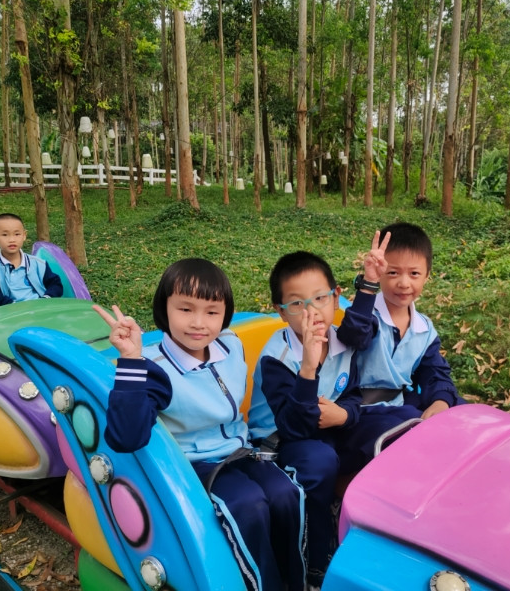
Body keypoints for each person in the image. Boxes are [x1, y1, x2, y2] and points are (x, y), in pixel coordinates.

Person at [93, 258, 306, 591]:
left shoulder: (229, 345)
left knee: (286, 493)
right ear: (164, 308)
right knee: (247, 505)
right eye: (185, 309)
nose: (198, 323)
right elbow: (126, 437)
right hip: (197, 465)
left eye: (212, 312)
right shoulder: (154, 368)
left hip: (243, 452)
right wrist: (131, 360)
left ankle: (298, 581)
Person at [248, 251, 419, 589]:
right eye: (297, 304)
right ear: (281, 312)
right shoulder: (278, 359)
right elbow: (293, 427)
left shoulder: (340, 340)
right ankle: (317, 556)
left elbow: (352, 394)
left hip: (329, 425)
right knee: (320, 460)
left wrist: (346, 414)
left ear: (336, 297)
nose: (311, 311)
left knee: (405, 420)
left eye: (320, 298)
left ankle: (380, 517)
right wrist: (308, 368)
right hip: (284, 441)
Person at [337, 223, 465, 418]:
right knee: (410, 422)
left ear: (426, 276)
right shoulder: (366, 315)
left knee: (462, 411)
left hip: (400, 402)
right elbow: (353, 337)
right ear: (380, 274)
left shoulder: (424, 330)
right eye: (393, 273)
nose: (404, 283)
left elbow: (433, 372)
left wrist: (441, 401)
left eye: (414, 274)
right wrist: (368, 285)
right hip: (359, 410)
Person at [0, 213, 63, 306]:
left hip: (38, 308)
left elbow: (55, 284)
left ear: (24, 235)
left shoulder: (38, 264)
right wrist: (13, 306)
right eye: (5, 235)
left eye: (17, 234)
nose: (12, 239)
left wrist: (46, 298)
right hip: (9, 311)